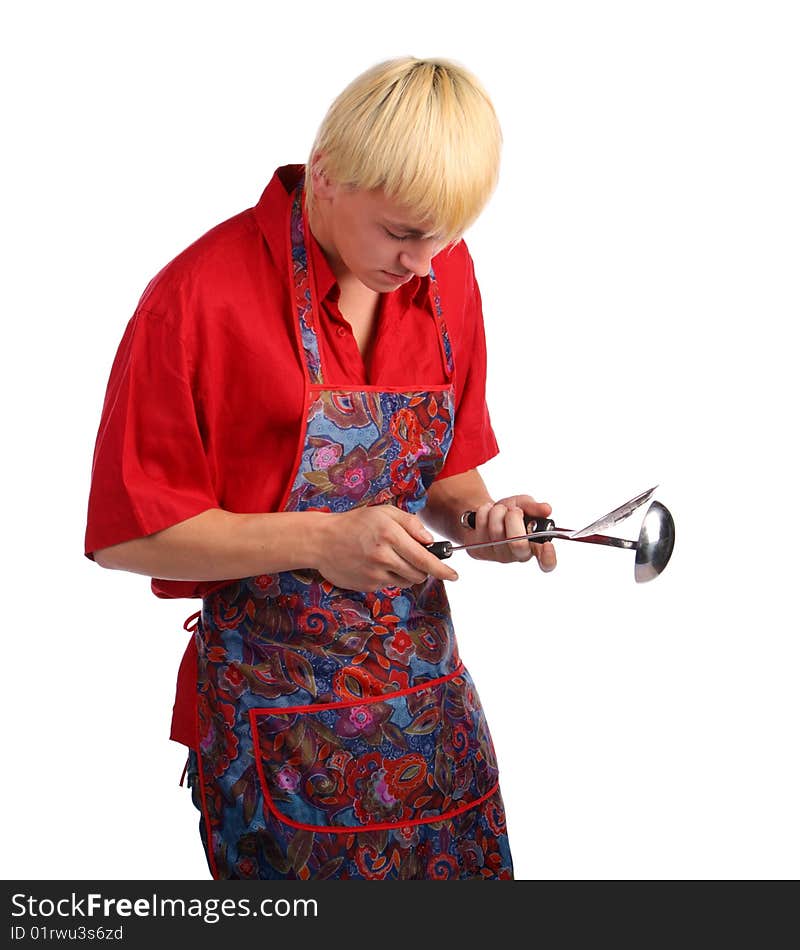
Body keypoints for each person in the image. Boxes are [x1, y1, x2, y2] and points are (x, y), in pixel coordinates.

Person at [85, 56, 556, 881]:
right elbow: (131, 535)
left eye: (444, 236)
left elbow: (445, 472)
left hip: (426, 709)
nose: (421, 261)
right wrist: (324, 539)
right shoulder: (198, 298)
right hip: (279, 730)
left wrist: (485, 523)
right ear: (328, 176)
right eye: (403, 233)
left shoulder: (443, 273)